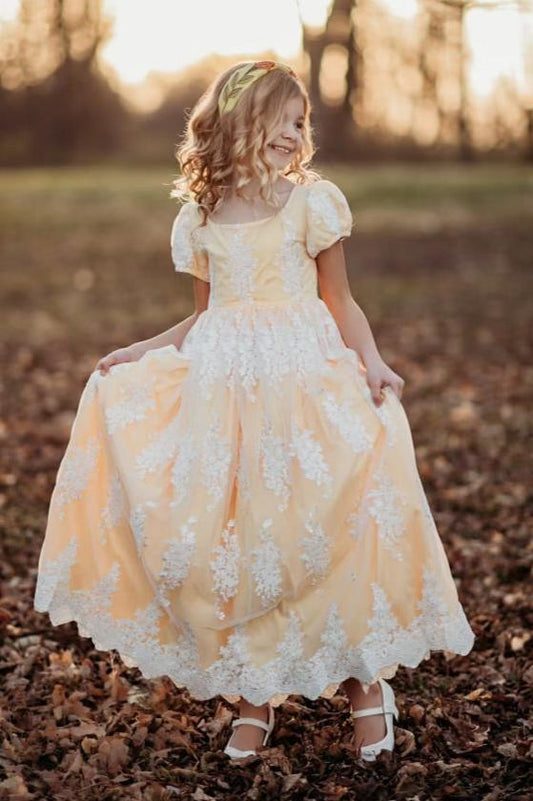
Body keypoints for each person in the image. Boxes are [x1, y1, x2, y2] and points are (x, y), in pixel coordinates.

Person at [33, 59, 475, 763]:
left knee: (326, 523)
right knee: (238, 541)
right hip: (225, 398)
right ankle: (252, 694)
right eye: (287, 121)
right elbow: (200, 319)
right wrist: (137, 352)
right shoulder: (202, 216)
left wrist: (372, 360)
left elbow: (340, 300)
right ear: (243, 121)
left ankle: (366, 682)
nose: (297, 135)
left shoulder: (312, 204)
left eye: (302, 125)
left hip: (304, 389)